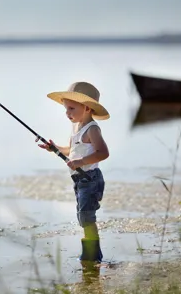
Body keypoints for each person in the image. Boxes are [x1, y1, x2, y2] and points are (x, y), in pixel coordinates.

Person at [38, 81, 109, 263]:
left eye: (71, 108)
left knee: (87, 217)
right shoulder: (76, 127)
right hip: (79, 180)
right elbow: (71, 151)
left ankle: (92, 255)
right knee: (82, 216)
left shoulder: (92, 129)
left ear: (86, 107)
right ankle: (92, 254)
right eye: (66, 109)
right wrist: (54, 148)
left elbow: (103, 153)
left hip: (90, 178)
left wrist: (81, 162)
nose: (67, 113)